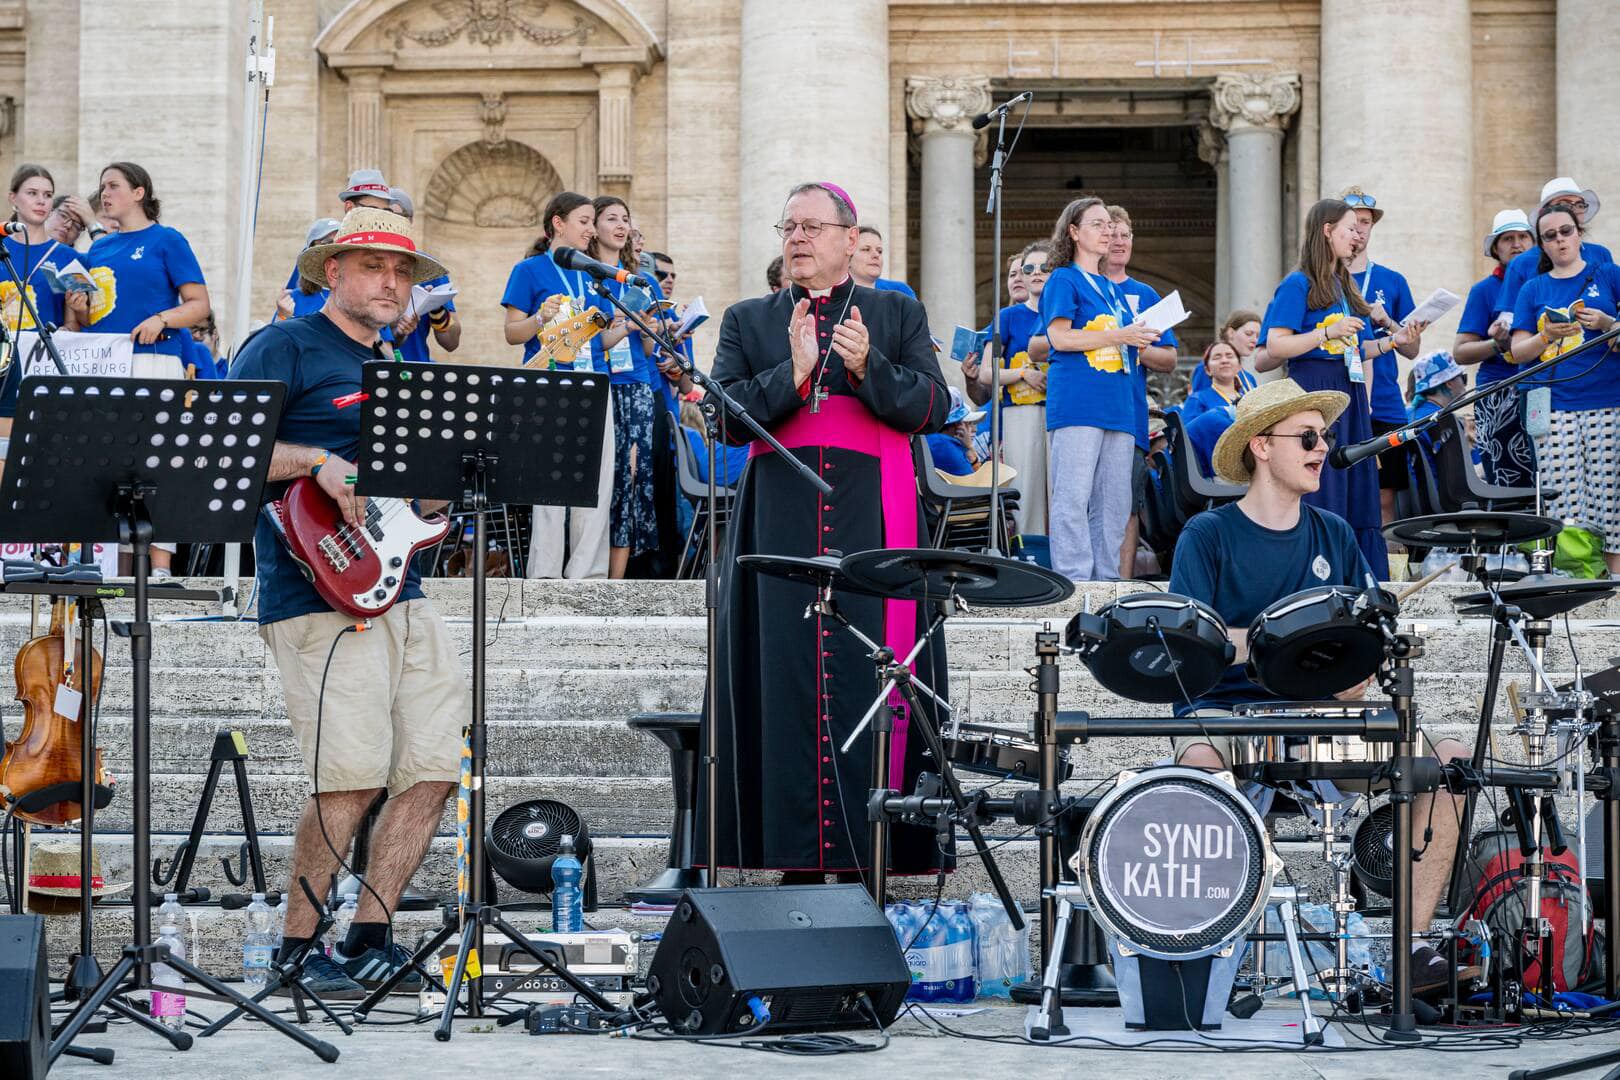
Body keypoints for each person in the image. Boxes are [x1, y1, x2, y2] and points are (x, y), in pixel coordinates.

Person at [228, 207, 467, 1000]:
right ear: (331, 273)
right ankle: (297, 953)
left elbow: (419, 490)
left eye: (403, 272)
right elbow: (231, 450)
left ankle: (369, 936)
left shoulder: (403, 363)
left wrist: (447, 492)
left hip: (406, 583)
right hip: (314, 589)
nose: (393, 283)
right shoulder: (286, 344)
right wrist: (315, 460)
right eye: (373, 267)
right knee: (351, 777)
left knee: (434, 767)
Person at [1171, 378, 1468, 989]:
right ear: (1260, 445)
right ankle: (1196, 949)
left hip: (1319, 722)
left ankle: (1410, 949)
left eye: (1325, 436)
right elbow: (1192, 647)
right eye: (1307, 436)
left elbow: (1360, 645)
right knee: (1198, 769)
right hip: (1226, 718)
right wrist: (1282, 643)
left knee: (1450, 766)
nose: (1321, 448)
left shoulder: (1334, 531)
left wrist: (1352, 674)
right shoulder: (1208, 534)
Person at [706, 180, 949, 878]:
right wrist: (797, 370)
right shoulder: (749, 319)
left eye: (813, 226)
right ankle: (789, 850)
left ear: (850, 237)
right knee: (781, 667)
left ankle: (873, 845)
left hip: (875, 506)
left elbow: (931, 406)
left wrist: (867, 366)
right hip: (778, 507)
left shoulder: (896, 312)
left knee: (872, 666)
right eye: (789, 226)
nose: (797, 238)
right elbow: (721, 417)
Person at [1258, 197, 1419, 580]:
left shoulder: (1342, 285)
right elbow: (1276, 346)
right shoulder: (1299, 284)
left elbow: (1351, 348)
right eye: (1349, 228)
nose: (1357, 235)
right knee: (1323, 484)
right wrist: (1326, 331)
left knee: (1357, 488)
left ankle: (1357, 576)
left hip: (1350, 395)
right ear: (1327, 231)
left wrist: (1392, 342)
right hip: (1314, 395)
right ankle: (1314, 572)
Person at [86, 162, 210, 579]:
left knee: (158, 459)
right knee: (113, 464)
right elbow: (95, 315)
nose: (105, 193)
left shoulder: (166, 240)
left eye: (113, 185)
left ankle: (159, 566)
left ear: (139, 192)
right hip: (109, 362)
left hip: (157, 359)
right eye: (102, 186)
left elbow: (198, 304)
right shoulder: (99, 249)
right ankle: (119, 566)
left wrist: (162, 319)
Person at [1041, 196, 1161, 581]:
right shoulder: (1064, 279)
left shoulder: (1111, 288)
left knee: (1114, 501)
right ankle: (1075, 578)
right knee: (1073, 496)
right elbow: (1058, 338)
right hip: (1079, 403)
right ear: (1074, 233)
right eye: (1097, 223)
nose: (1108, 230)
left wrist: (1136, 341)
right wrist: (1120, 334)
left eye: (1110, 224)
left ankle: (1106, 579)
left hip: (1119, 406)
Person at [501, 191, 619, 579]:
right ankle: (546, 573)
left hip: (594, 383)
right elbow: (512, 334)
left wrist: (623, 325)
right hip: (548, 387)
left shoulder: (591, 271)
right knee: (549, 483)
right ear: (558, 223)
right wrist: (539, 317)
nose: (591, 229)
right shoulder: (529, 270)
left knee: (597, 482)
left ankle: (589, 574)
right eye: (584, 221)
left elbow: (596, 342)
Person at [1510, 201, 1620, 574]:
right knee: (1563, 498)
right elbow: (1516, 351)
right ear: (1542, 245)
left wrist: (1607, 323)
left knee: (1611, 498)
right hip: (1554, 404)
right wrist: (1545, 334)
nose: (1560, 241)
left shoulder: (1608, 274)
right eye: (1550, 236)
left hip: (1609, 400)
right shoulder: (1533, 287)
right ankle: (1574, 577)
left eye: (1566, 232)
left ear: (1580, 234)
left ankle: (1615, 581)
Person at [1340, 188, 1429, 525]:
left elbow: (1411, 348)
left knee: (1384, 495)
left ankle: (1384, 572)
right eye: (1353, 222)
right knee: (1336, 490)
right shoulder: (1324, 280)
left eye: (1365, 222)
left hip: (1385, 402)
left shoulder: (1392, 281)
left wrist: (1387, 321)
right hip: (1339, 398)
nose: (1359, 229)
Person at [587, 195, 663, 578]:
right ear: (593, 227)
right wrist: (622, 325)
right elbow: (589, 341)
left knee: (631, 477)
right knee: (597, 477)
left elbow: (649, 347)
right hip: (597, 384)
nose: (621, 226)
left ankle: (616, 581)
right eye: (611, 218)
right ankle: (590, 569)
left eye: (626, 219)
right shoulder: (586, 277)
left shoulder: (643, 281)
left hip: (636, 387)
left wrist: (650, 326)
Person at [1103, 205, 1179, 579]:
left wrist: (1131, 346)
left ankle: (1119, 585)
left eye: (1125, 235)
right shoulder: (1080, 285)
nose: (1119, 242)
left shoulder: (1145, 294)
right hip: (1083, 412)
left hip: (1129, 415)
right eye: (1112, 234)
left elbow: (1169, 359)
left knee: (1126, 504)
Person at [1455, 209, 1536, 485]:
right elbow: (1461, 351)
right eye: (1508, 238)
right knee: (1504, 479)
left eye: (1524, 236)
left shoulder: (1545, 283)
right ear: (1495, 249)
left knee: (1544, 474)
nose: (1517, 244)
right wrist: (1496, 344)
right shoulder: (1484, 290)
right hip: (1498, 394)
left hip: (1542, 389)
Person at [976, 241, 1050, 534]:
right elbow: (985, 371)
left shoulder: (1064, 314)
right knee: (1026, 489)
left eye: (1044, 268)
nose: (1035, 273)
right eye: (1028, 268)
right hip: (1020, 412)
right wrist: (1022, 373)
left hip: (1061, 411)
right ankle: (1030, 554)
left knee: (1062, 490)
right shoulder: (1007, 317)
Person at [1494, 177, 1612, 329]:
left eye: (1579, 204)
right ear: (1545, 213)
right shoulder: (1522, 262)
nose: (1574, 210)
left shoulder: (1601, 254)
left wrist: (1609, 323)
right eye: (1564, 205)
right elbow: (1509, 317)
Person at [380, 188, 461, 363]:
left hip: (414, 370)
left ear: (409, 221)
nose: (389, 223)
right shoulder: (360, 262)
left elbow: (452, 342)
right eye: (383, 216)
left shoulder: (429, 268)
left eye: (395, 217)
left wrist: (437, 309)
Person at [275, 219, 341, 322]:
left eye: (340, 241)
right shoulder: (294, 300)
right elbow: (276, 337)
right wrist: (283, 316)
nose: (335, 248)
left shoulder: (360, 295)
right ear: (311, 253)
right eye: (327, 243)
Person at [1191, 310, 1270, 394]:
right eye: (1248, 333)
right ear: (1231, 333)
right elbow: (1198, 402)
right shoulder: (1209, 368)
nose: (1255, 340)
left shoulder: (1249, 378)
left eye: (1258, 336)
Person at [1180, 341, 1248, 422]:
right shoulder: (1197, 400)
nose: (1224, 361)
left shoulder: (1248, 398)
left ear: (1239, 366)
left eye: (1229, 356)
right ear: (1207, 370)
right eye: (1217, 357)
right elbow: (1187, 433)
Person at [926, 387, 984, 476]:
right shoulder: (945, 444)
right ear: (959, 424)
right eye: (968, 423)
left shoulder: (929, 438)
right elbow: (977, 484)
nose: (974, 429)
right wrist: (970, 448)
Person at [848, 225, 916, 297]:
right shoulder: (836, 292)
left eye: (879, 251)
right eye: (866, 249)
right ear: (848, 257)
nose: (876, 255)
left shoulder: (901, 291)